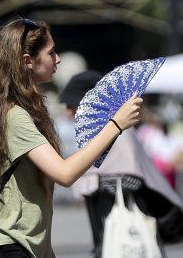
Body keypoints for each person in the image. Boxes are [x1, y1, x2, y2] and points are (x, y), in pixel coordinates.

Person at [0, 17, 143, 258]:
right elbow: (64, 174)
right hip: (6, 247)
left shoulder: (19, 111)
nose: (58, 59)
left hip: (20, 247)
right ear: (28, 61)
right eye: (51, 53)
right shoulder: (14, 116)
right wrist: (115, 124)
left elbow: (29, 196)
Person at [59, 70, 183, 258]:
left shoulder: (118, 130)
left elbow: (132, 179)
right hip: (107, 235)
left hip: (129, 233)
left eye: (72, 105)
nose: (69, 112)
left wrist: (93, 181)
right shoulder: (99, 132)